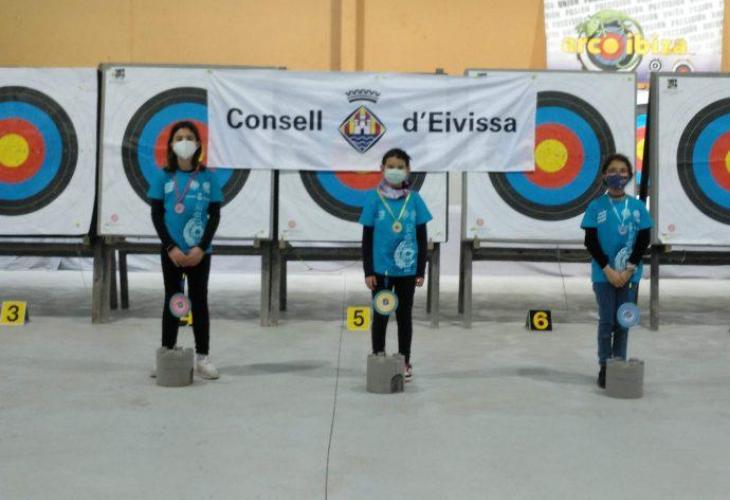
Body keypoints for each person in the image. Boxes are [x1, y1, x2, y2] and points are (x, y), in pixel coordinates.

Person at [148, 121, 223, 379]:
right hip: (173, 253)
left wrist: (201, 248)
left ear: (198, 144)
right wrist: (171, 247)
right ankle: (167, 354)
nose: (184, 142)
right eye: (179, 138)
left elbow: (215, 216)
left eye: (189, 137)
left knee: (199, 301)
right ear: (171, 144)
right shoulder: (163, 177)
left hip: (200, 254)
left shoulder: (208, 177)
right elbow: (156, 215)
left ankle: (202, 357)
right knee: (174, 300)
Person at [359, 148, 432, 382]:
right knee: (380, 315)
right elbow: (367, 238)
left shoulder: (415, 200)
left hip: (407, 271)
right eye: (390, 166)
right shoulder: (374, 199)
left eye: (400, 167)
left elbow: (422, 237)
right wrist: (368, 271)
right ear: (382, 168)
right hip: (381, 271)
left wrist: (420, 270)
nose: (395, 171)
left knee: (404, 317)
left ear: (408, 170)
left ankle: (404, 360)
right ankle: (378, 356)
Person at [581, 153, 653, 388]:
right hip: (604, 275)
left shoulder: (638, 207)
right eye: (612, 170)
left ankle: (618, 365)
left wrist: (628, 270)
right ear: (604, 175)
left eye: (623, 171)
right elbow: (591, 241)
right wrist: (609, 271)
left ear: (630, 175)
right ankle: (605, 366)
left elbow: (643, 240)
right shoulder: (595, 206)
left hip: (630, 275)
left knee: (623, 321)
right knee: (606, 322)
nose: (618, 175)